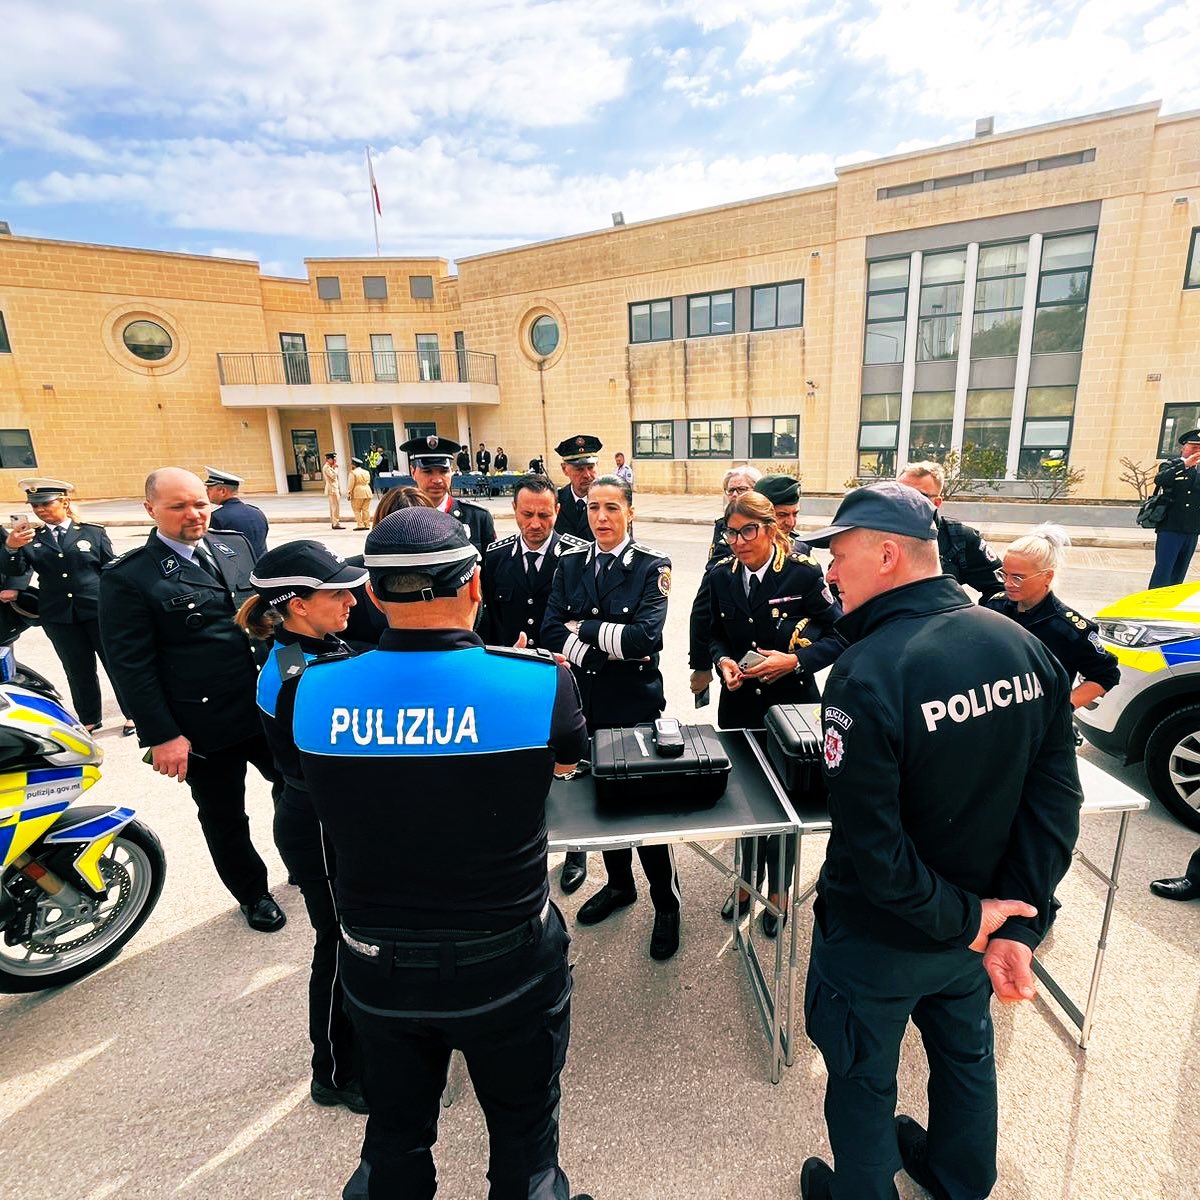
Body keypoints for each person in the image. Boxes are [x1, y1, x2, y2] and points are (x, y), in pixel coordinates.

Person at [289, 507, 592, 1200]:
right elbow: (569, 761)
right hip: (506, 961)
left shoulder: (308, 690)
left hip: (374, 966)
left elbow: (310, 785)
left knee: (394, 1141)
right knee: (526, 1150)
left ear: (370, 594)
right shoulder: (542, 682)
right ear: (476, 585)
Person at [795, 482, 1082, 1200]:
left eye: (839, 556)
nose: (830, 572)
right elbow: (1054, 805)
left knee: (862, 1079)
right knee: (964, 1060)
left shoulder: (867, 671)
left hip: (881, 941)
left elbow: (875, 851)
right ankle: (960, 1181)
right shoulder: (1022, 645)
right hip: (976, 931)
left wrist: (975, 919)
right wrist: (1018, 919)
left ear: (888, 555)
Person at [98, 467, 286, 933]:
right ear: (151, 510)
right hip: (203, 722)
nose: (194, 514)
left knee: (297, 790)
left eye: (200, 503)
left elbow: (269, 617)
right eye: (178, 506)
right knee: (225, 816)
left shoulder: (233, 546)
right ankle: (253, 894)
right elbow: (130, 667)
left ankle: (301, 863)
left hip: (263, 707)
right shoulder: (131, 577)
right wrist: (162, 735)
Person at [236, 541, 370, 1114]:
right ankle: (334, 1072)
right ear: (294, 604)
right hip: (318, 823)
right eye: (336, 592)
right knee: (337, 946)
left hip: (329, 814)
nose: (351, 599)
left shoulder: (315, 648)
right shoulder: (300, 677)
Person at [541, 474, 682, 960]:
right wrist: (601, 651)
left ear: (629, 513)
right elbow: (549, 628)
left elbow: (646, 638)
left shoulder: (651, 567)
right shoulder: (570, 564)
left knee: (642, 807)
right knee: (604, 801)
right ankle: (620, 885)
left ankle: (666, 902)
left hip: (634, 706)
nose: (601, 517)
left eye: (612, 508)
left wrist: (584, 630)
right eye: (594, 508)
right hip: (587, 704)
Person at [696, 490, 842, 936]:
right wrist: (722, 663)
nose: (738, 541)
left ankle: (778, 894)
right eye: (731, 532)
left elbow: (841, 634)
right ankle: (745, 884)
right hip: (739, 705)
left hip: (792, 708)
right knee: (743, 801)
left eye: (748, 531)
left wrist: (795, 661)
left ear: (772, 528)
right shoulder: (721, 575)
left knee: (784, 806)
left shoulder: (801, 573)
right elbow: (714, 633)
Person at [480, 473, 589, 895]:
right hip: (512, 677)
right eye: (527, 514)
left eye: (545, 514)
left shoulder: (578, 556)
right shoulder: (495, 556)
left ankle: (576, 848)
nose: (536, 523)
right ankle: (529, 843)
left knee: (569, 762)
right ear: (514, 512)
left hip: (562, 674)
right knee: (521, 761)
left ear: (557, 512)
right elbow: (488, 618)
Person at [1, 478, 135, 735]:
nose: (40, 510)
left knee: (115, 663)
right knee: (76, 668)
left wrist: (123, 605)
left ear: (65, 502)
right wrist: (11, 548)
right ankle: (89, 717)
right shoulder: (30, 538)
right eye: (35, 505)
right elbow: (14, 570)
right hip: (58, 614)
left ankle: (132, 714)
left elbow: (112, 570)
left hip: (97, 610)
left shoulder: (92, 533)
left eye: (46, 504)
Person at [984, 524, 1120, 710]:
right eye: (1004, 575)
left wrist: (1062, 709)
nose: (1007, 584)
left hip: (1043, 729)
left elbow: (1106, 674)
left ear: (1047, 577)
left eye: (1017, 578)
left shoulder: (1068, 628)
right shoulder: (994, 608)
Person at [688, 465, 762, 699]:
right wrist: (701, 664)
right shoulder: (722, 528)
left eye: (741, 489)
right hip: (733, 657)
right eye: (730, 490)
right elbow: (706, 600)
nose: (734, 495)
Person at [897, 460, 1005, 600]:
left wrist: (963, 618)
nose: (906, 501)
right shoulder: (870, 531)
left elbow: (1001, 588)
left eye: (918, 496)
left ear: (936, 503)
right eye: (899, 492)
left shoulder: (960, 539)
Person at [399, 434, 496, 553]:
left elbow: (491, 566)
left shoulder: (477, 516)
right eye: (428, 471)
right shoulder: (398, 517)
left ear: (451, 471)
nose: (437, 480)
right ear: (413, 471)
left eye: (443, 471)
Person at [1149, 429, 1200, 589]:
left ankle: (1168, 606)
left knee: (1179, 572)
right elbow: (1160, 479)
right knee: (1163, 570)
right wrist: (1185, 465)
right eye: (1193, 446)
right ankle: (1152, 604)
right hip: (1170, 527)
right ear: (1183, 448)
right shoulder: (1172, 465)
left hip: (1191, 529)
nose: (1196, 451)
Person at [204, 466, 269, 560]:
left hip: (239, 569)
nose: (206, 493)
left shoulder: (218, 517)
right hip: (262, 565)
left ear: (222, 491)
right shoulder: (257, 512)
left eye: (209, 489)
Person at [553, 434, 601, 542]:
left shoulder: (609, 501)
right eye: (579, 469)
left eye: (591, 467)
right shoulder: (555, 500)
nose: (587, 475)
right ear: (564, 469)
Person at [348, 457, 374, 530]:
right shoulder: (366, 472)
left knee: (356, 509)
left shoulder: (353, 473)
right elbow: (368, 481)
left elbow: (351, 484)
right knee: (366, 509)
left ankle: (360, 525)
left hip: (358, 492)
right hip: (367, 490)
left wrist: (349, 493)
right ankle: (367, 524)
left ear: (354, 465)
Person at [323, 452, 344, 530]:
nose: (335, 460)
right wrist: (336, 468)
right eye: (333, 459)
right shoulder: (327, 467)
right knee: (335, 507)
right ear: (329, 459)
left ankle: (334, 522)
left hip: (333, 488)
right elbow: (333, 476)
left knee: (334, 506)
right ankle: (335, 523)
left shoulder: (329, 466)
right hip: (332, 489)